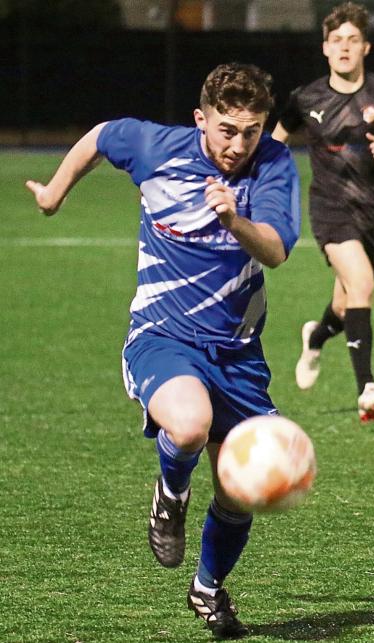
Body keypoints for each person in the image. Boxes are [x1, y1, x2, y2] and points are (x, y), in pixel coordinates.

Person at [25, 63, 301, 639]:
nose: (238, 143)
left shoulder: (273, 165)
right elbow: (102, 135)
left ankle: (206, 588)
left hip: (238, 354)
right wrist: (54, 192)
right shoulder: (157, 146)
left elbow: (274, 250)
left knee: (239, 487)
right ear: (201, 120)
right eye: (227, 129)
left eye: (251, 130)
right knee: (191, 423)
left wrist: (234, 217)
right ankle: (170, 494)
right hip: (162, 336)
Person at [273, 1, 374, 422]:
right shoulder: (306, 97)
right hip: (330, 210)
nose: (344, 47)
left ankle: (316, 335)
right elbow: (276, 143)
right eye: (336, 41)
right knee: (362, 285)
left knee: (348, 305)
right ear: (325, 48)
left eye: (352, 40)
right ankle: (367, 386)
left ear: (366, 47)